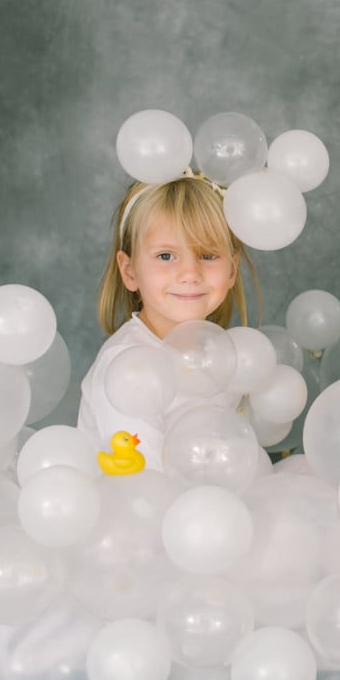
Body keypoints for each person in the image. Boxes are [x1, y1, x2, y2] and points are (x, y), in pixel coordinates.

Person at [78, 172, 257, 468]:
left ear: (232, 271)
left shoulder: (222, 355)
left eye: (208, 255)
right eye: (165, 256)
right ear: (130, 271)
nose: (190, 273)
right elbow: (147, 482)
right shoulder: (128, 369)